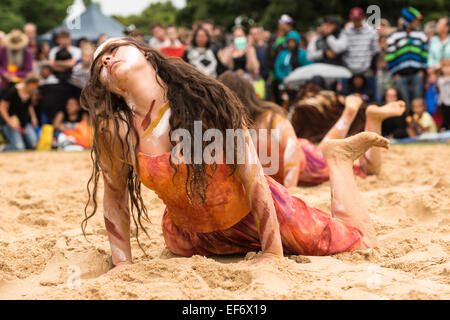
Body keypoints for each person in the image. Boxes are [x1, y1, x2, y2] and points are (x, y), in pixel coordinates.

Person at [81, 37, 391, 273]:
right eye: (98, 64)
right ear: (102, 86)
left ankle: (336, 161)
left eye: (114, 49)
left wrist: (271, 253)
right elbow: (116, 198)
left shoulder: (205, 102)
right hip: (190, 240)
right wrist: (122, 265)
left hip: (260, 219)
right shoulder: (116, 130)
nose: (106, 59)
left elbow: (253, 176)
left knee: (358, 242)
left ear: (146, 54)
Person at [219, 71, 405, 187]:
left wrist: (290, 189)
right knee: (324, 151)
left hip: (305, 165)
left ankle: (372, 121)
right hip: (304, 154)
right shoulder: (267, 116)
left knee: (367, 170)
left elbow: (291, 154)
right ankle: (349, 114)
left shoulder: (264, 118)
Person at [385, 7, 428, 108]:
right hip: (400, 75)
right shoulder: (394, 36)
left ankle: (418, 121)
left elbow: (424, 54)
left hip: (417, 73)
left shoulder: (421, 35)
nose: (417, 23)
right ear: (408, 21)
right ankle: (406, 121)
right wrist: (394, 73)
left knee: (418, 101)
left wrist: (422, 70)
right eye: (415, 21)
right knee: (404, 102)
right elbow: (390, 56)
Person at [0, 73, 39, 151]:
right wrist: (10, 122)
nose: (36, 88)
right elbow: (2, 108)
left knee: (34, 145)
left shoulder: (29, 93)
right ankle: (3, 148)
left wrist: (33, 117)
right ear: (30, 84)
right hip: (11, 123)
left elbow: (29, 106)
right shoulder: (13, 91)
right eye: (35, 85)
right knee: (19, 148)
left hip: (24, 123)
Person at [343, 7, 379, 75]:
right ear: (351, 18)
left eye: (358, 19)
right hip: (348, 69)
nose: (356, 21)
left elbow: (375, 51)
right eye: (354, 18)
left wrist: (373, 69)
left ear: (362, 18)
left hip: (366, 69)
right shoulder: (346, 31)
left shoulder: (371, 31)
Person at [437, 58, 450, 130]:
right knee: (445, 116)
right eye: (445, 67)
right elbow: (440, 84)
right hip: (443, 101)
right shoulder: (440, 79)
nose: (447, 69)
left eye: (449, 67)